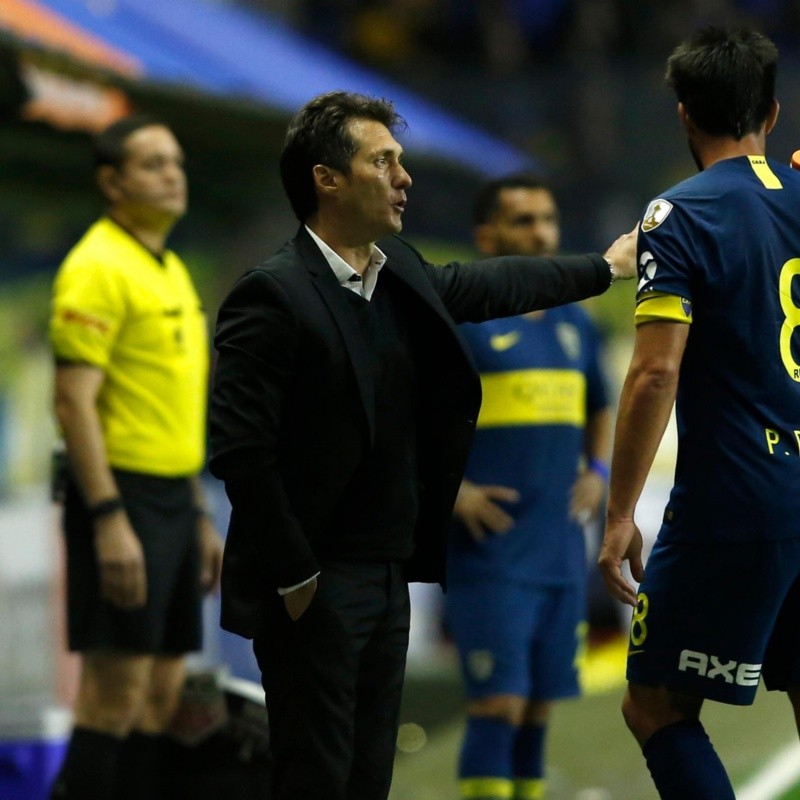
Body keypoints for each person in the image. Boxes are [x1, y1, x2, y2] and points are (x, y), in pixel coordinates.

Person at [209, 89, 638, 800]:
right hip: (312, 582)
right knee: (315, 774)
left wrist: (605, 268)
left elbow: (489, 284)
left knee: (371, 772)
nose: (405, 178)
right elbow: (239, 451)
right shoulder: (273, 295)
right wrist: (295, 577)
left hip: (386, 575)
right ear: (327, 178)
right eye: (384, 162)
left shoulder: (398, 271)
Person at [597, 26, 800, 800]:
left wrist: (620, 514)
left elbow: (655, 372)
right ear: (773, 113)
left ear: (684, 115)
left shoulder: (678, 214)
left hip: (736, 497)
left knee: (654, 704)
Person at [48, 114, 223, 800]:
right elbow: (72, 404)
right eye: (152, 163)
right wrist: (109, 516)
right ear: (112, 182)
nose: (172, 173)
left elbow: (175, 412)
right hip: (121, 498)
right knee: (111, 695)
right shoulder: (95, 268)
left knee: (160, 695)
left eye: (175, 161)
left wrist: (199, 513)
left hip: (174, 500)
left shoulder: (173, 269)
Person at [444, 174, 612, 800]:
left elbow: (601, 405)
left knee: (540, 706)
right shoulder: (460, 317)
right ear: (486, 236)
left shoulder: (576, 322)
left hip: (560, 550)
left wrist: (597, 472)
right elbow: (407, 420)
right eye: (523, 221)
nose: (541, 232)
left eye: (547, 218)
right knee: (500, 703)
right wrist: (452, 490)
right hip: (490, 554)